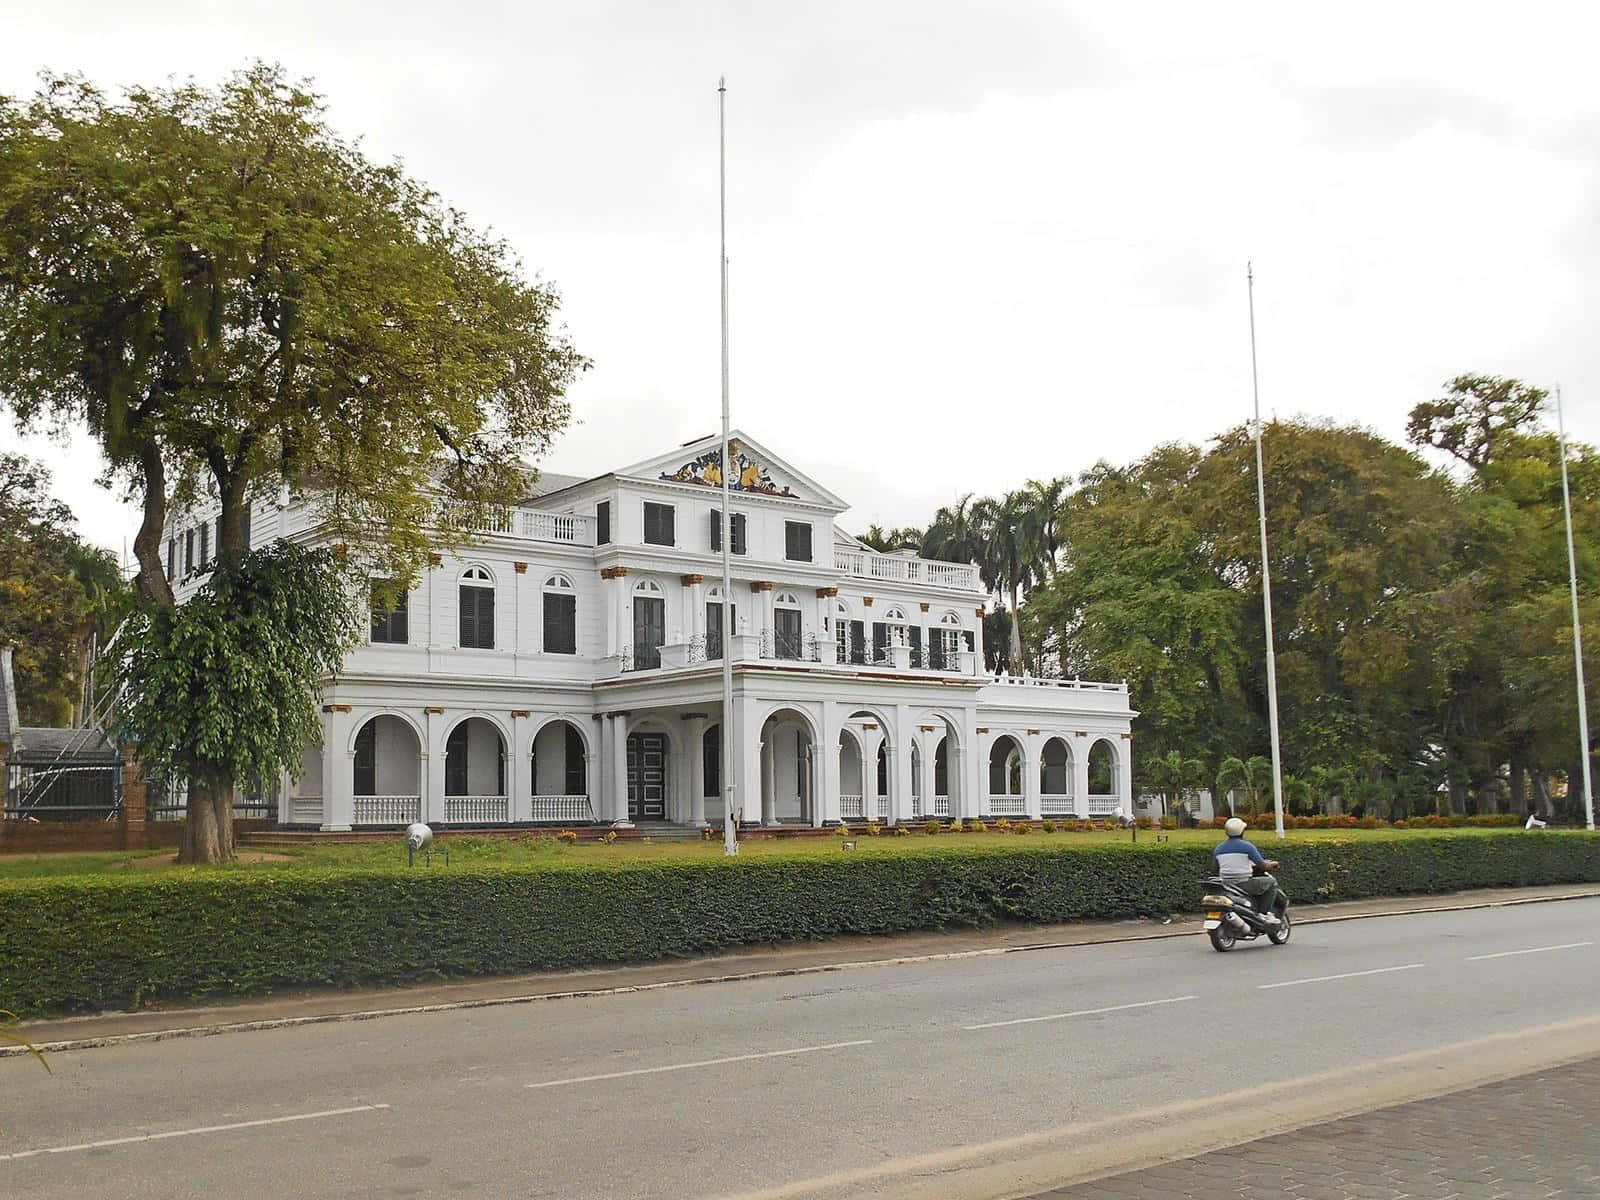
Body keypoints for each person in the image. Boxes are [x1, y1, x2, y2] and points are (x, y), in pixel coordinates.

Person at [1213, 817, 1286, 924]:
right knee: (1271, 882)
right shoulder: (1247, 847)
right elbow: (1263, 865)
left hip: (1226, 884)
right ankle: (1264, 913)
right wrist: (1273, 864)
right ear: (1242, 831)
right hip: (1243, 883)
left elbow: (1216, 867)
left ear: (1226, 831)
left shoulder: (1218, 848)